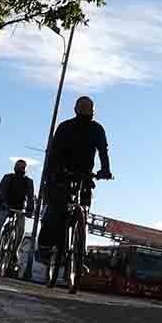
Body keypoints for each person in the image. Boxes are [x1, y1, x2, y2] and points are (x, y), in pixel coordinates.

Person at [37, 96, 112, 263]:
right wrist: (105, 170)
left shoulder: (90, 129)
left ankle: (76, 253)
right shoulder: (73, 127)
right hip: (66, 175)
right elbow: (54, 153)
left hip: (78, 176)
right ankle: (46, 248)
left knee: (80, 212)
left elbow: (102, 151)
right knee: (56, 211)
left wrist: (105, 169)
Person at [0, 158, 36, 265]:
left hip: (20, 210)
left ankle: (14, 251)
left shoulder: (29, 182)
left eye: (22, 167)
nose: (20, 169)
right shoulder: (7, 177)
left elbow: (30, 197)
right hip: (5, 206)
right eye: (18, 166)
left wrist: (29, 209)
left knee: (21, 230)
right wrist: (2, 203)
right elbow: (1, 191)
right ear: (15, 167)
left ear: (25, 169)